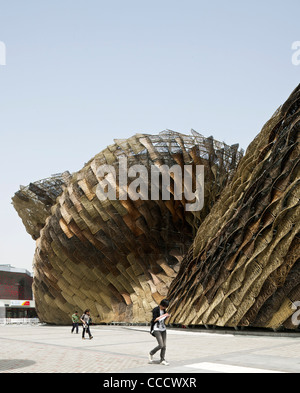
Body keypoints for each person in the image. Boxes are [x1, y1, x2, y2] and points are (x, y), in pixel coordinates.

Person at [149, 299, 170, 366]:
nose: (164, 308)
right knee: (161, 345)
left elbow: (163, 320)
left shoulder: (164, 310)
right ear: (161, 304)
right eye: (164, 306)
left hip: (163, 329)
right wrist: (162, 316)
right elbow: (154, 320)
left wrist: (166, 317)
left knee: (164, 346)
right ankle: (151, 353)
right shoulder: (156, 309)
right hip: (156, 329)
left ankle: (162, 359)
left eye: (166, 307)